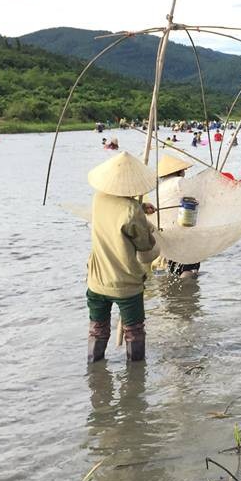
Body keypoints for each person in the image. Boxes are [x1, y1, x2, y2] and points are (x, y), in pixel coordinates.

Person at [86, 152, 160, 363]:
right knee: (134, 331)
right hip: (125, 283)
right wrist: (143, 219)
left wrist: (139, 208)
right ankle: (135, 381)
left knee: (97, 330)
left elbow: (115, 216)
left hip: (97, 280)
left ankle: (94, 371)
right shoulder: (131, 211)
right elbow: (145, 245)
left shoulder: (98, 198)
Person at [156, 154, 199, 279]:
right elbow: (194, 199)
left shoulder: (161, 186)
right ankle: (186, 292)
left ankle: (174, 294)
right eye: (183, 169)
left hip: (165, 228)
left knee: (174, 262)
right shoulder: (179, 182)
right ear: (179, 171)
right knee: (189, 265)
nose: (185, 171)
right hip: (182, 226)